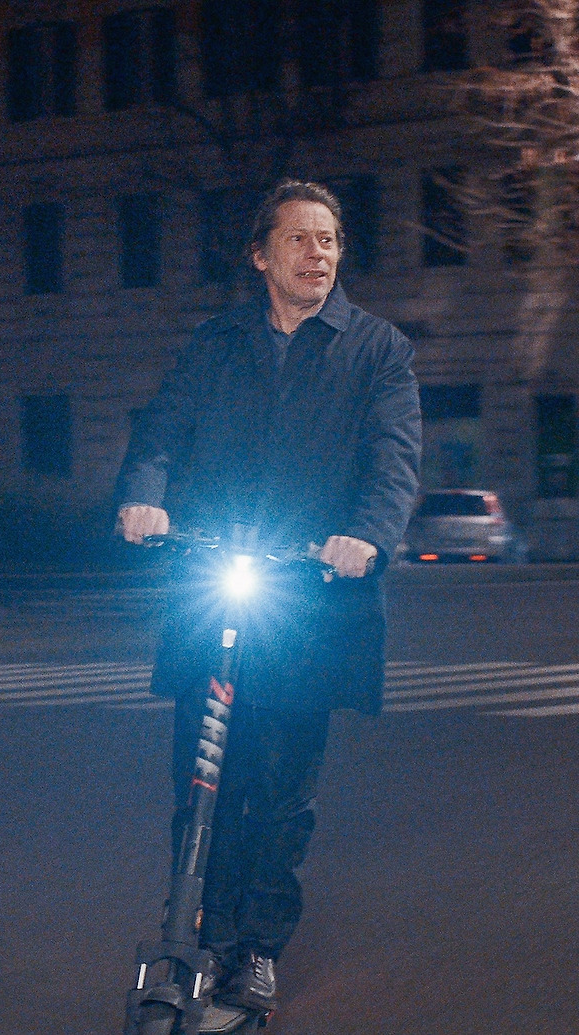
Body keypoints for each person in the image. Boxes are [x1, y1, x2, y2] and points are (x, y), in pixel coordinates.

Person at [114, 179, 421, 1014]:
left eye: (330, 239)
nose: (318, 252)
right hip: (214, 584)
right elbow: (160, 432)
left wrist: (367, 536)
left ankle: (254, 946)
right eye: (300, 238)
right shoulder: (216, 344)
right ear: (261, 254)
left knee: (281, 787)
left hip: (310, 594)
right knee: (202, 773)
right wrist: (144, 497)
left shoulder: (377, 350)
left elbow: (393, 462)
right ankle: (194, 928)